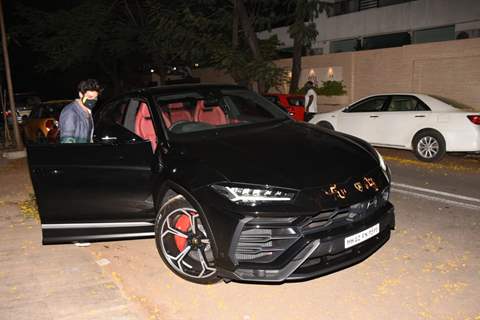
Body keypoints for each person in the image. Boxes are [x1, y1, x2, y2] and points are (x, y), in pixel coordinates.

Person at [59, 79, 101, 143]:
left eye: (95, 98)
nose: (93, 100)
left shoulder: (88, 110)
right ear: (81, 94)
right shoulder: (70, 112)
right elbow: (67, 142)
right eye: (90, 97)